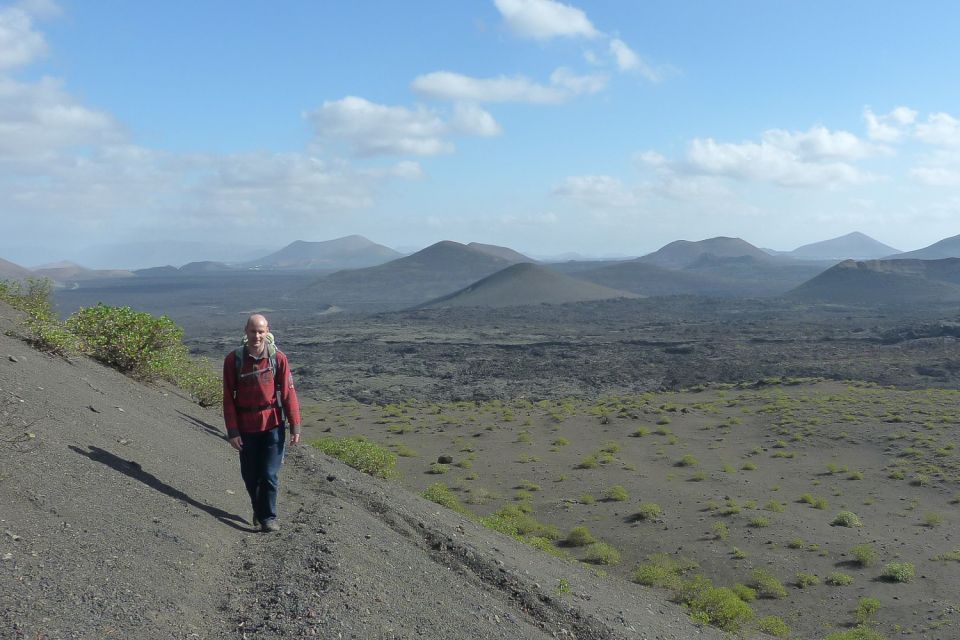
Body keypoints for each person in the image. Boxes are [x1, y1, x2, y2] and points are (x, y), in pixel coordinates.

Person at [223, 314, 301, 532]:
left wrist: (295, 426)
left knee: (269, 474)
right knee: (251, 476)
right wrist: (232, 431)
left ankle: (269, 517)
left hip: (273, 425)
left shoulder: (278, 359)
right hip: (246, 427)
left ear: (267, 332)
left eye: (261, 331)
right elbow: (228, 397)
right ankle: (259, 510)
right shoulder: (233, 360)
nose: (256, 336)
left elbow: (288, 394)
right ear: (245, 331)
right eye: (253, 331)